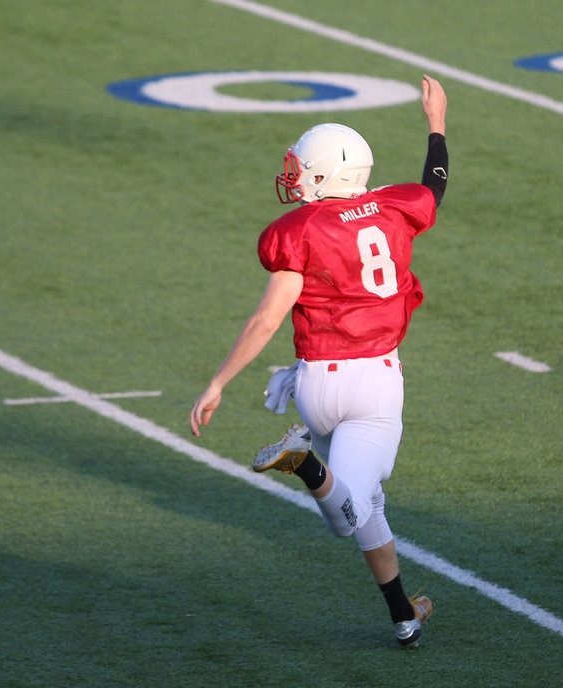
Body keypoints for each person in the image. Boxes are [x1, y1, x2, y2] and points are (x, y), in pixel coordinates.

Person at [190, 75, 449, 648]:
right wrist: (437, 124)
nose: (294, 177)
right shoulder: (394, 208)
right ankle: (303, 463)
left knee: (363, 509)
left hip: (314, 382)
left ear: (327, 175)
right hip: (374, 383)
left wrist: (218, 381)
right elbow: (436, 183)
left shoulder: (299, 232)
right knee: (347, 512)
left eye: (302, 169)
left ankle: (403, 613)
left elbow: (265, 321)